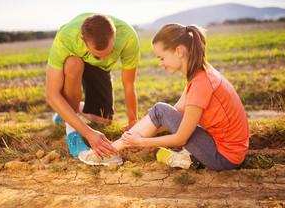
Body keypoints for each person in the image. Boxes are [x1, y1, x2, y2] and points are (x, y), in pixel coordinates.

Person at [78, 23, 250, 171]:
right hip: (229, 150)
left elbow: (180, 136)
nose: (160, 63)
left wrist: (139, 142)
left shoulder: (200, 84)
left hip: (223, 158)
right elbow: (173, 114)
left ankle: (107, 154)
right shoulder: (201, 74)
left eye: (161, 57)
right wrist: (135, 135)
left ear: (178, 51)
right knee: (162, 112)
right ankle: (117, 149)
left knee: (160, 109)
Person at [46, 13, 140, 161]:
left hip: (100, 69)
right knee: (73, 63)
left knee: (103, 119)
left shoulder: (128, 36)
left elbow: (129, 84)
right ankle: (72, 132)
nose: (104, 58)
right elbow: (51, 95)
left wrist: (133, 123)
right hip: (75, 60)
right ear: (83, 41)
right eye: (99, 55)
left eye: (108, 53)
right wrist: (89, 134)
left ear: (114, 36)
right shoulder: (65, 39)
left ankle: (65, 111)